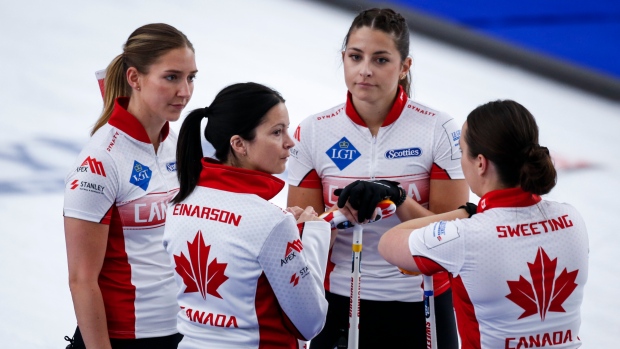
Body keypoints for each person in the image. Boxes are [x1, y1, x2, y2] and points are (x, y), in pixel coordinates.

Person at [287, 8, 467, 349]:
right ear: (344, 59)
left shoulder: (437, 129)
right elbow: (301, 231)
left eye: (381, 59)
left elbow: (453, 235)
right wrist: (341, 215)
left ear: (404, 68)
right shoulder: (313, 131)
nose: (365, 70)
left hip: (420, 302)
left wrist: (397, 198)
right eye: (355, 57)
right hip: (338, 300)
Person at [378, 100, 589, 349]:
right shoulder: (572, 219)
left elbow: (388, 243)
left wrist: (466, 213)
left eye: (461, 151)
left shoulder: (467, 235)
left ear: (480, 163)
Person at [162, 82, 333, 349]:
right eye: (277, 132)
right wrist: (313, 235)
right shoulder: (271, 221)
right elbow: (310, 323)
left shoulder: (177, 202)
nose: (291, 142)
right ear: (239, 144)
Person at [63, 23, 197, 349]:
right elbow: (82, 280)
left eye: (191, 77)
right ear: (135, 78)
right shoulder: (100, 161)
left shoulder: (174, 144)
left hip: (179, 330)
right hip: (123, 337)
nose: (185, 91)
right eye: (172, 77)